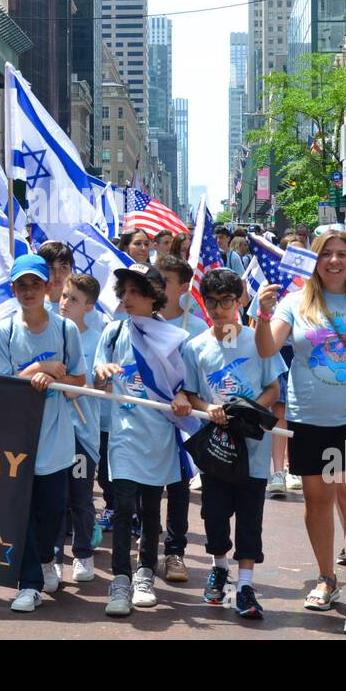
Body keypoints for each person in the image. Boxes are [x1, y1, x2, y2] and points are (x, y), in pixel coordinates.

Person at [255, 230, 346, 635]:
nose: (334, 261)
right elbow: (267, 350)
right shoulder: (293, 302)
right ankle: (325, 577)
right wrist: (262, 314)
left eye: (342, 255)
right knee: (317, 502)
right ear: (314, 261)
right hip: (309, 418)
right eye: (326, 255)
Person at [182, 268, 284, 621]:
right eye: (212, 302)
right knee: (213, 514)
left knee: (250, 520)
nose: (220, 309)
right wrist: (207, 408)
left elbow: (274, 388)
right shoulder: (195, 347)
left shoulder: (259, 340)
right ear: (204, 303)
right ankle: (218, 566)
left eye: (227, 301)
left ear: (240, 300)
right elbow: (190, 392)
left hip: (253, 451)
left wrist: (252, 409)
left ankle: (244, 584)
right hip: (215, 450)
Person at [93, 263, 193, 616]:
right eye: (125, 292)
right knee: (123, 509)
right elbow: (97, 378)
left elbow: (187, 390)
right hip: (123, 437)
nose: (128, 298)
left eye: (137, 292)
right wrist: (102, 373)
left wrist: (183, 398)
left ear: (154, 296)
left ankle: (145, 574)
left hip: (159, 438)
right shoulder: (114, 332)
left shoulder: (175, 338)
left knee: (151, 510)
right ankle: (120, 580)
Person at [0, 255, 87, 611]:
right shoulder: (4, 330)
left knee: (50, 513)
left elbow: (79, 382)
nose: (28, 291)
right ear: (13, 289)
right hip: (17, 437)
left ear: (49, 287)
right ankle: (28, 583)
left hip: (57, 438)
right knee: (24, 513)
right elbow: (2, 385)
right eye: (21, 285)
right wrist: (38, 368)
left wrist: (57, 377)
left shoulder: (66, 330)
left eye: (35, 284)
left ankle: (47, 559)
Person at [147, 254, 206, 584]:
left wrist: (189, 396)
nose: (156, 285)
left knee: (178, 487)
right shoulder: (144, 322)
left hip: (184, 422)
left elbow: (202, 375)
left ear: (184, 287)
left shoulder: (196, 327)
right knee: (148, 487)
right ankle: (147, 546)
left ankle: (175, 551)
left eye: (164, 281)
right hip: (148, 421)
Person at [54, 273, 103, 584]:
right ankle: (54, 555)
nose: (65, 303)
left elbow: (95, 380)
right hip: (52, 430)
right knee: (54, 498)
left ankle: (83, 553)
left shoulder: (98, 338)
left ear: (89, 306)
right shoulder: (48, 331)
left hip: (83, 433)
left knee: (81, 498)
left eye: (73, 299)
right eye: (64, 296)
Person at [37, 240, 74, 312]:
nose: (57, 274)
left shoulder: (82, 305)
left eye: (63, 267)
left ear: (71, 269)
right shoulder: (30, 303)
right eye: (50, 268)